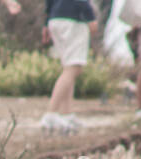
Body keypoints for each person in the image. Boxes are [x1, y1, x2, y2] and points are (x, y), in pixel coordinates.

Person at [41, 0, 99, 133]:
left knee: (68, 67)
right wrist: (90, 17)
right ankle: (51, 113)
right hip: (73, 19)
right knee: (74, 67)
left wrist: (46, 23)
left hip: (55, 18)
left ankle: (66, 114)